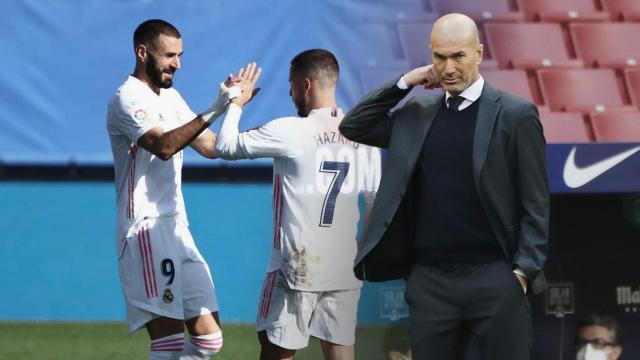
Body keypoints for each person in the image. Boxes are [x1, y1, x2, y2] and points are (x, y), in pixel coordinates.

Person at [339, 13, 549, 359]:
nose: (448, 67)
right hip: (431, 285)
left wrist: (522, 273)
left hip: (497, 279)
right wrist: (407, 81)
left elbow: (536, 203)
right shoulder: (417, 111)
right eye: (439, 57)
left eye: (458, 56)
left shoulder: (516, 114)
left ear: (479, 53)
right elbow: (354, 125)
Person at [215, 50, 381, 360]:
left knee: (277, 351)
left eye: (292, 85)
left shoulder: (290, 129)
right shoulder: (364, 133)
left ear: (306, 84)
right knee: (341, 352)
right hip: (345, 265)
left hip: (296, 266)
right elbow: (375, 201)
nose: (290, 94)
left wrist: (235, 105)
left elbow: (224, 146)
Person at [106, 19, 240, 359]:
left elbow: (210, 146)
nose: (177, 64)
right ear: (142, 52)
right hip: (146, 230)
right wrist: (215, 107)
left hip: (177, 225)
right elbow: (163, 146)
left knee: (209, 339)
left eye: (180, 55)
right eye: (169, 55)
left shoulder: (172, 96)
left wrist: (236, 110)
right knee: (168, 344)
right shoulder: (126, 98)